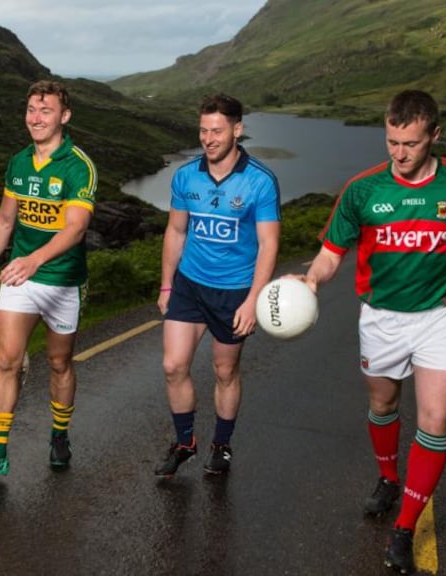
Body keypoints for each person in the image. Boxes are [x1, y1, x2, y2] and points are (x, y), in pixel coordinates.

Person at [294, 90, 446, 574]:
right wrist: (311, 279)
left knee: (434, 418)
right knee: (384, 404)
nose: (399, 154)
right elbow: (330, 253)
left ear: (434, 136)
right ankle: (388, 477)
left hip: (442, 316)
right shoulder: (363, 190)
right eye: (391, 142)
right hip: (382, 318)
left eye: (410, 143)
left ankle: (405, 528)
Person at [0, 80, 97, 481]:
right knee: (6, 360)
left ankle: (60, 434)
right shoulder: (19, 162)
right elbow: (4, 220)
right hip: (22, 277)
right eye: (32, 111)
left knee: (59, 362)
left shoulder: (78, 166)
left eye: (46, 111)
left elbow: (75, 230)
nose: (36, 119)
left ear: (64, 117)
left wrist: (34, 260)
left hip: (63, 278)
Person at [155, 93, 281, 477]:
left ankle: (221, 446)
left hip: (234, 292)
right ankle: (185, 443)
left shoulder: (260, 180)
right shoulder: (186, 176)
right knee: (173, 365)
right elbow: (176, 231)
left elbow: (268, 244)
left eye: (217, 131)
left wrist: (253, 300)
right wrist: (166, 285)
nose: (208, 139)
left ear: (237, 130)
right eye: (203, 130)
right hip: (190, 285)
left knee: (225, 371)